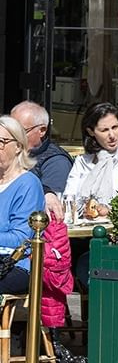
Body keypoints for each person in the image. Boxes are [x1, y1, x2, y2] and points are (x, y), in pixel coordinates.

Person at [0, 114, 46, 294]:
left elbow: (22, 238)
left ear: (18, 146)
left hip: (15, 264)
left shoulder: (28, 184)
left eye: (2, 141)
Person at [10, 101, 72, 217]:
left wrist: (45, 191)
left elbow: (52, 209)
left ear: (42, 130)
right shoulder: (9, 153)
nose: (14, 136)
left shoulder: (56, 161)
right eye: (11, 130)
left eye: (21, 131)